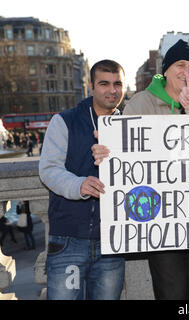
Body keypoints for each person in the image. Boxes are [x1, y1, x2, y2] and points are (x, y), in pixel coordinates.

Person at [92, 40, 189, 300]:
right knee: (171, 289)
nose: (187, 72)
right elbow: (123, 155)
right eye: (180, 65)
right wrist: (105, 151)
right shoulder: (140, 104)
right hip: (158, 216)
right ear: (166, 71)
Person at [39, 60, 126, 300]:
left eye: (118, 83)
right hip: (68, 239)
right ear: (90, 86)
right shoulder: (64, 121)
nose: (112, 90)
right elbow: (48, 170)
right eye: (104, 83)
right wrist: (79, 185)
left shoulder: (132, 127)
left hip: (113, 243)